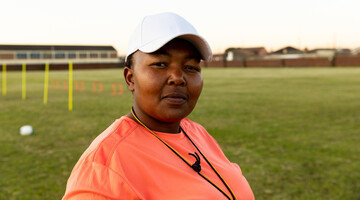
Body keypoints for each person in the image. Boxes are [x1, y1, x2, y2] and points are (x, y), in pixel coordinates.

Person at [62, 12, 255, 200]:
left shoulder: (197, 132)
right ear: (130, 79)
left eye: (191, 67)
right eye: (160, 64)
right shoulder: (104, 168)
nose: (178, 78)